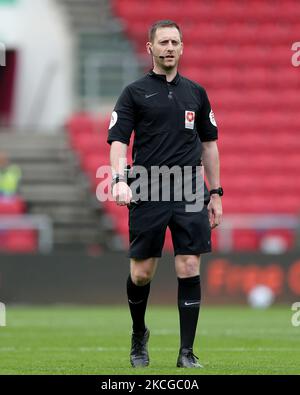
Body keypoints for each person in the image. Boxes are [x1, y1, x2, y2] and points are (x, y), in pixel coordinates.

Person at [107, 20, 223, 368]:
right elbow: (117, 143)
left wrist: (215, 193)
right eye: (163, 42)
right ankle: (138, 333)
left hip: (189, 186)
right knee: (142, 273)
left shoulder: (196, 93)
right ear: (150, 49)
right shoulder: (134, 92)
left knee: (189, 265)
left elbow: (210, 146)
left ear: (182, 47)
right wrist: (119, 180)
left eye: (175, 42)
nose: (170, 47)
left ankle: (186, 353)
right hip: (147, 184)